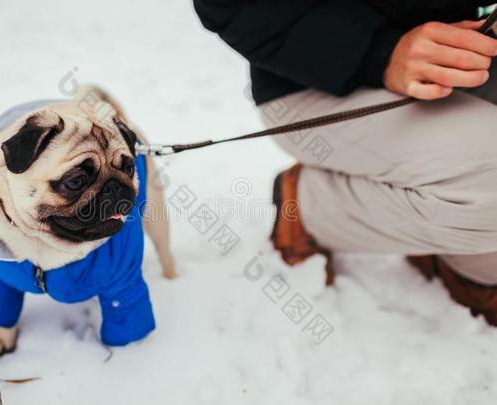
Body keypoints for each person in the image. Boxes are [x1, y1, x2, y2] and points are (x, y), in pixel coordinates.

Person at [194, 0, 497, 325]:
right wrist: (382, 52)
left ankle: (454, 231)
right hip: (320, 79)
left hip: (468, 50)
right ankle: (310, 205)